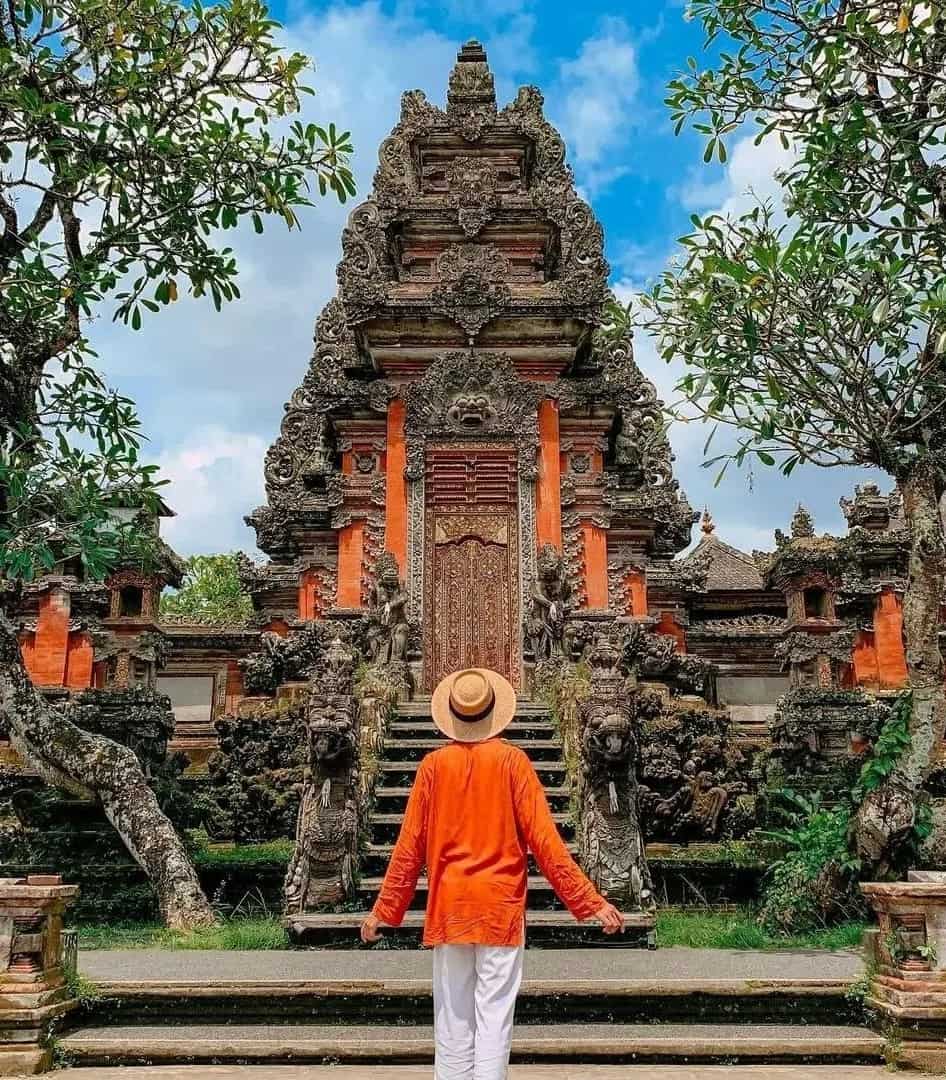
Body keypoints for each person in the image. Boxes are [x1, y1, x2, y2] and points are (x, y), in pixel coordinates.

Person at [360, 667, 625, 1079]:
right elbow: (546, 841)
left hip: (450, 906)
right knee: (494, 1015)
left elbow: (408, 846)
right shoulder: (513, 763)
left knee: (453, 1018)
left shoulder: (433, 767)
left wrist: (384, 909)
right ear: (493, 711)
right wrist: (590, 902)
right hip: (499, 908)